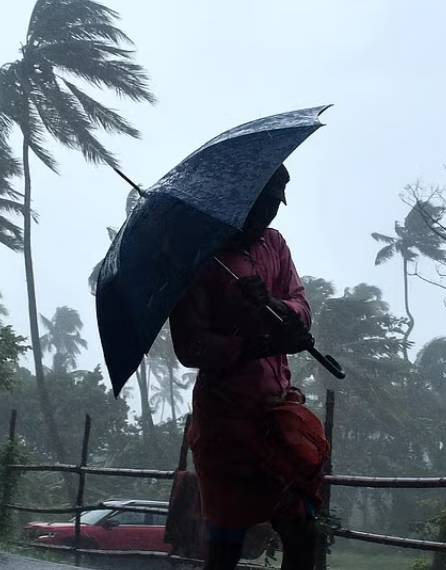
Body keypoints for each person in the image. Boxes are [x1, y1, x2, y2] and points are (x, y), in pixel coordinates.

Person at [170, 164, 327, 570]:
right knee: (226, 542)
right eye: (264, 201)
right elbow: (190, 347)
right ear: (241, 197)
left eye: (277, 202)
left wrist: (273, 305)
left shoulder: (275, 245)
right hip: (225, 420)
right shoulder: (200, 259)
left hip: (278, 414)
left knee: (302, 529)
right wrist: (250, 343)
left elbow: (301, 308)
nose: (270, 212)